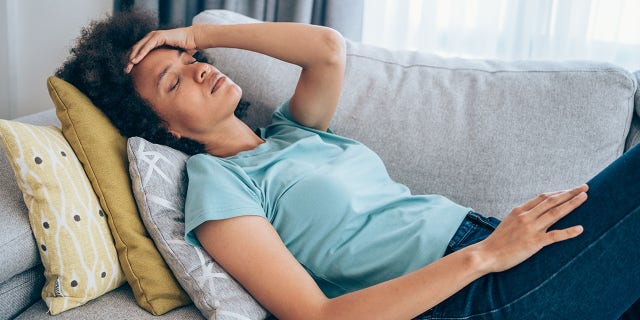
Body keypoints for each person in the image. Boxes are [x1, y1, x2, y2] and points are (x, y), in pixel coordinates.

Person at [57, 9, 640, 320]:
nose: (200, 67)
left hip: (496, 246)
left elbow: (327, 50)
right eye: (173, 79)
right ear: (165, 128)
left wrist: (196, 29)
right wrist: (486, 255)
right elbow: (315, 317)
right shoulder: (218, 185)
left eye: (192, 57)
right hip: (469, 294)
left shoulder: (288, 134)